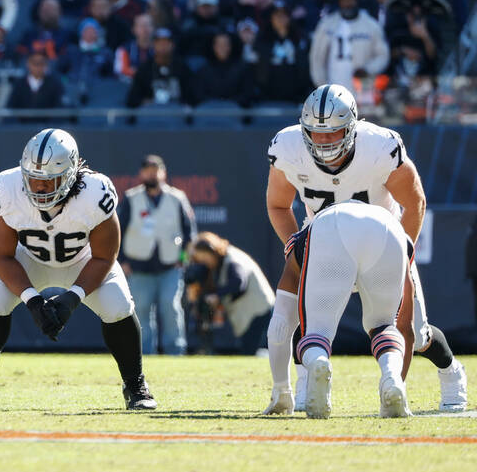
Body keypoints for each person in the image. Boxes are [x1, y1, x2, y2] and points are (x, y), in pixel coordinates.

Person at [263, 84, 466, 414]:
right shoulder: (288, 146)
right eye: (316, 134)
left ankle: (447, 373)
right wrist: (292, 245)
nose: (325, 141)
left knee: (415, 330)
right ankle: (304, 387)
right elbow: (277, 205)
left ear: (353, 127)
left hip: (381, 244)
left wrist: (404, 251)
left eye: (334, 133)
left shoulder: (378, 146)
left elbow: (414, 203)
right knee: (305, 318)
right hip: (324, 243)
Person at [0, 129, 157, 412]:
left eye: (48, 181)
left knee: (118, 305)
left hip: (83, 260)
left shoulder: (95, 193)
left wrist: (73, 297)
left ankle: (135, 385)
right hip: (29, 258)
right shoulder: (8, 186)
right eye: (33, 179)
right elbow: (2, 256)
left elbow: (104, 256)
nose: (38, 188)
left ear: (71, 175)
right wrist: (33, 300)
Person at [286, 203, 415, 418]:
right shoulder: (396, 229)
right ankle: (391, 376)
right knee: (384, 324)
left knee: (317, 330)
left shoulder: (306, 236)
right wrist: (401, 377)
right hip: (389, 228)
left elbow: (282, 313)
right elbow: (406, 324)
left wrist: (281, 387)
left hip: (330, 226)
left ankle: (319, 362)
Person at [118, 155, 196, 356]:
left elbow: (190, 234)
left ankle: (175, 353)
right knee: (141, 311)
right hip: (138, 267)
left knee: (170, 308)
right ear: (141, 173)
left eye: (156, 169)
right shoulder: (131, 197)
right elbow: (117, 231)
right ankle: (143, 355)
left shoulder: (177, 198)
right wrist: (122, 262)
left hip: (170, 267)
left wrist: (184, 261)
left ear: (164, 172)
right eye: (148, 169)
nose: (152, 173)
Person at [185, 232, 274, 356]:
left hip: (258, 309)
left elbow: (239, 283)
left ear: (212, 251)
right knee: (248, 352)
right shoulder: (222, 260)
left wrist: (216, 296)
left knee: (249, 354)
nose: (205, 264)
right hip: (252, 311)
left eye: (205, 259)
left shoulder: (232, 259)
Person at [308, 0, 389, 87]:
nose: (347, 3)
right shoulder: (326, 25)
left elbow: (383, 55)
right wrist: (322, 85)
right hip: (333, 93)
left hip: (362, 91)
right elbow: (316, 58)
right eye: (343, 0)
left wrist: (368, 69)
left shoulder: (371, 25)